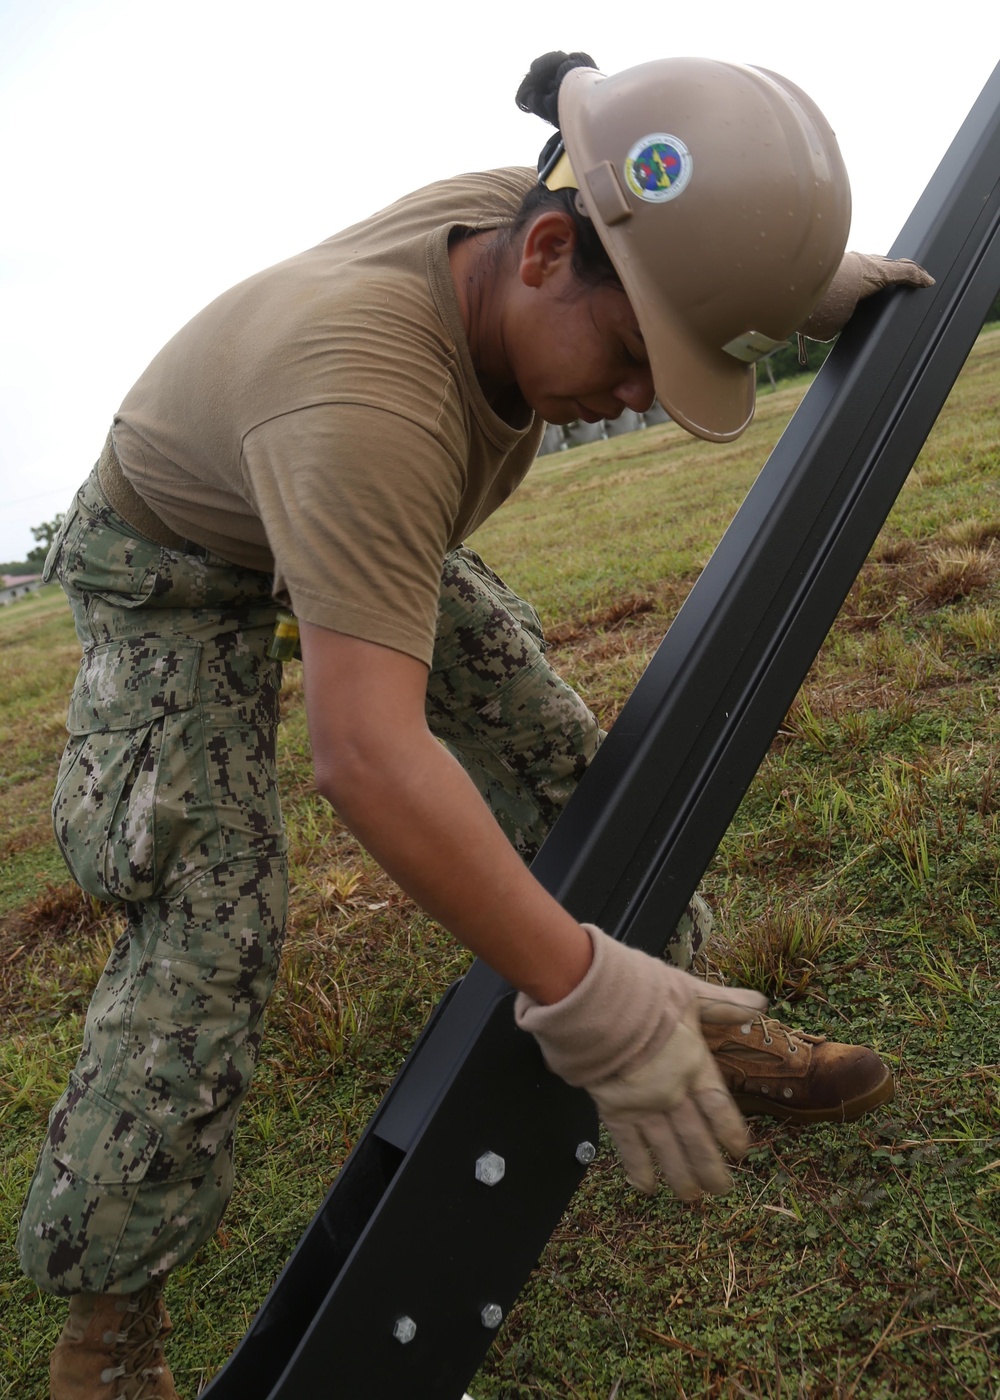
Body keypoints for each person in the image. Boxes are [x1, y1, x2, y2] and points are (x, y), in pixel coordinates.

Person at [18, 51, 932, 1400]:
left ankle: (696, 1018)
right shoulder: (367, 395)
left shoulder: (564, 220)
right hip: (178, 557)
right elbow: (369, 759)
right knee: (211, 925)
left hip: (343, 501)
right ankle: (106, 1346)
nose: (636, 395)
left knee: (554, 742)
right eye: (634, 356)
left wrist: (775, 283)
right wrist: (574, 986)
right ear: (545, 251)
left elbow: (662, 207)